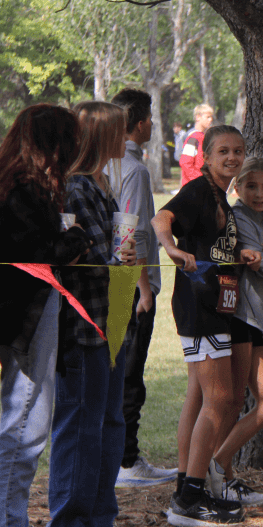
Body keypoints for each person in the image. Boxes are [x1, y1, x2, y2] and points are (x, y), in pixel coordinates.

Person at [0, 105, 88, 527]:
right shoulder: (21, 192)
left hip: (29, 313)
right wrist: (76, 238)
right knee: (24, 421)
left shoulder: (22, 187)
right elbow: (40, 255)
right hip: (21, 317)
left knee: (29, 420)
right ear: (52, 144)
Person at [47, 101, 141, 527]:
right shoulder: (73, 189)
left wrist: (126, 260)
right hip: (84, 325)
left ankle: (102, 522)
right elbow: (74, 261)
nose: (125, 140)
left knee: (110, 421)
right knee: (79, 425)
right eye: (118, 132)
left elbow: (111, 253)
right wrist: (114, 262)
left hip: (113, 319)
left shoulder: (103, 184)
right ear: (101, 136)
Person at [153, 124, 259, 527]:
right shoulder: (198, 190)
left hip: (219, 305)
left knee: (201, 397)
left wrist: (240, 252)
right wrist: (171, 248)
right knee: (219, 399)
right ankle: (188, 501)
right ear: (208, 157)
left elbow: (214, 244)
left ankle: (188, 482)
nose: (231, 158)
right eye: (223, 152)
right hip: (199, 307)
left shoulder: (220, 196)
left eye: (238, 151)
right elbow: (162, 217)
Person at [207, 157, 263, 505]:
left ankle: (220, 468)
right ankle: (216, 474)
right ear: (237, 188)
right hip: (239, 315)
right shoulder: (237, 218)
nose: (259, 193)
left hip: (257, 319)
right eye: (251, 186)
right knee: (235, 401)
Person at [110, 88, 177, 488]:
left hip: (115, 279)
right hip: (128, 282)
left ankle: (120, 456)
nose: (153, 124)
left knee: (119, 368)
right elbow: (127, 230)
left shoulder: (109, 162)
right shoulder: (134, 169)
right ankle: (126, 461)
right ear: (138, 123)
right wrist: (145, 288)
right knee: (130, 370)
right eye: (150, 118)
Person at [178, 103, 214, 186]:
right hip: (193, 187)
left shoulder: (203, 136)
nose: (210, 120)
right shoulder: (194, 137)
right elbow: (185, 162)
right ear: (198, 117)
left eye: (211, 117)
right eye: (208, 117)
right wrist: (199, 180)